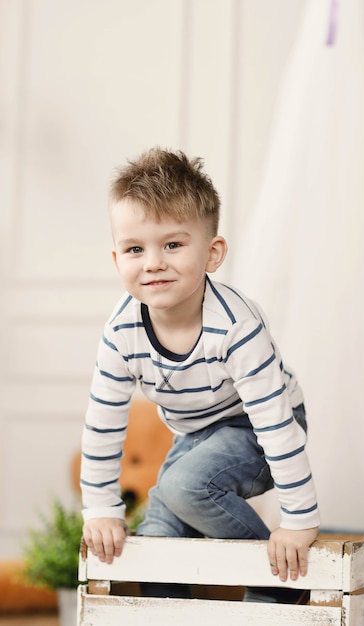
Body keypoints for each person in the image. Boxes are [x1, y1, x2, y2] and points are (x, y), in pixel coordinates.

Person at [80, 147, 320, 602]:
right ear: (117, 261)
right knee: (156, 535)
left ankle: (279, 586)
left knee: (184, 486)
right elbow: (103, 425)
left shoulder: (235, 326)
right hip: (197, 434)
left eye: (172, 244)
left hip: (260, 424)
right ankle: (168, 611)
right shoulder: (120, 331)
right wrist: (101, 508)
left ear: (212, 253)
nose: (152, 262)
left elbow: (276, 424)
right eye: (135, 249)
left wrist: (298, 521)